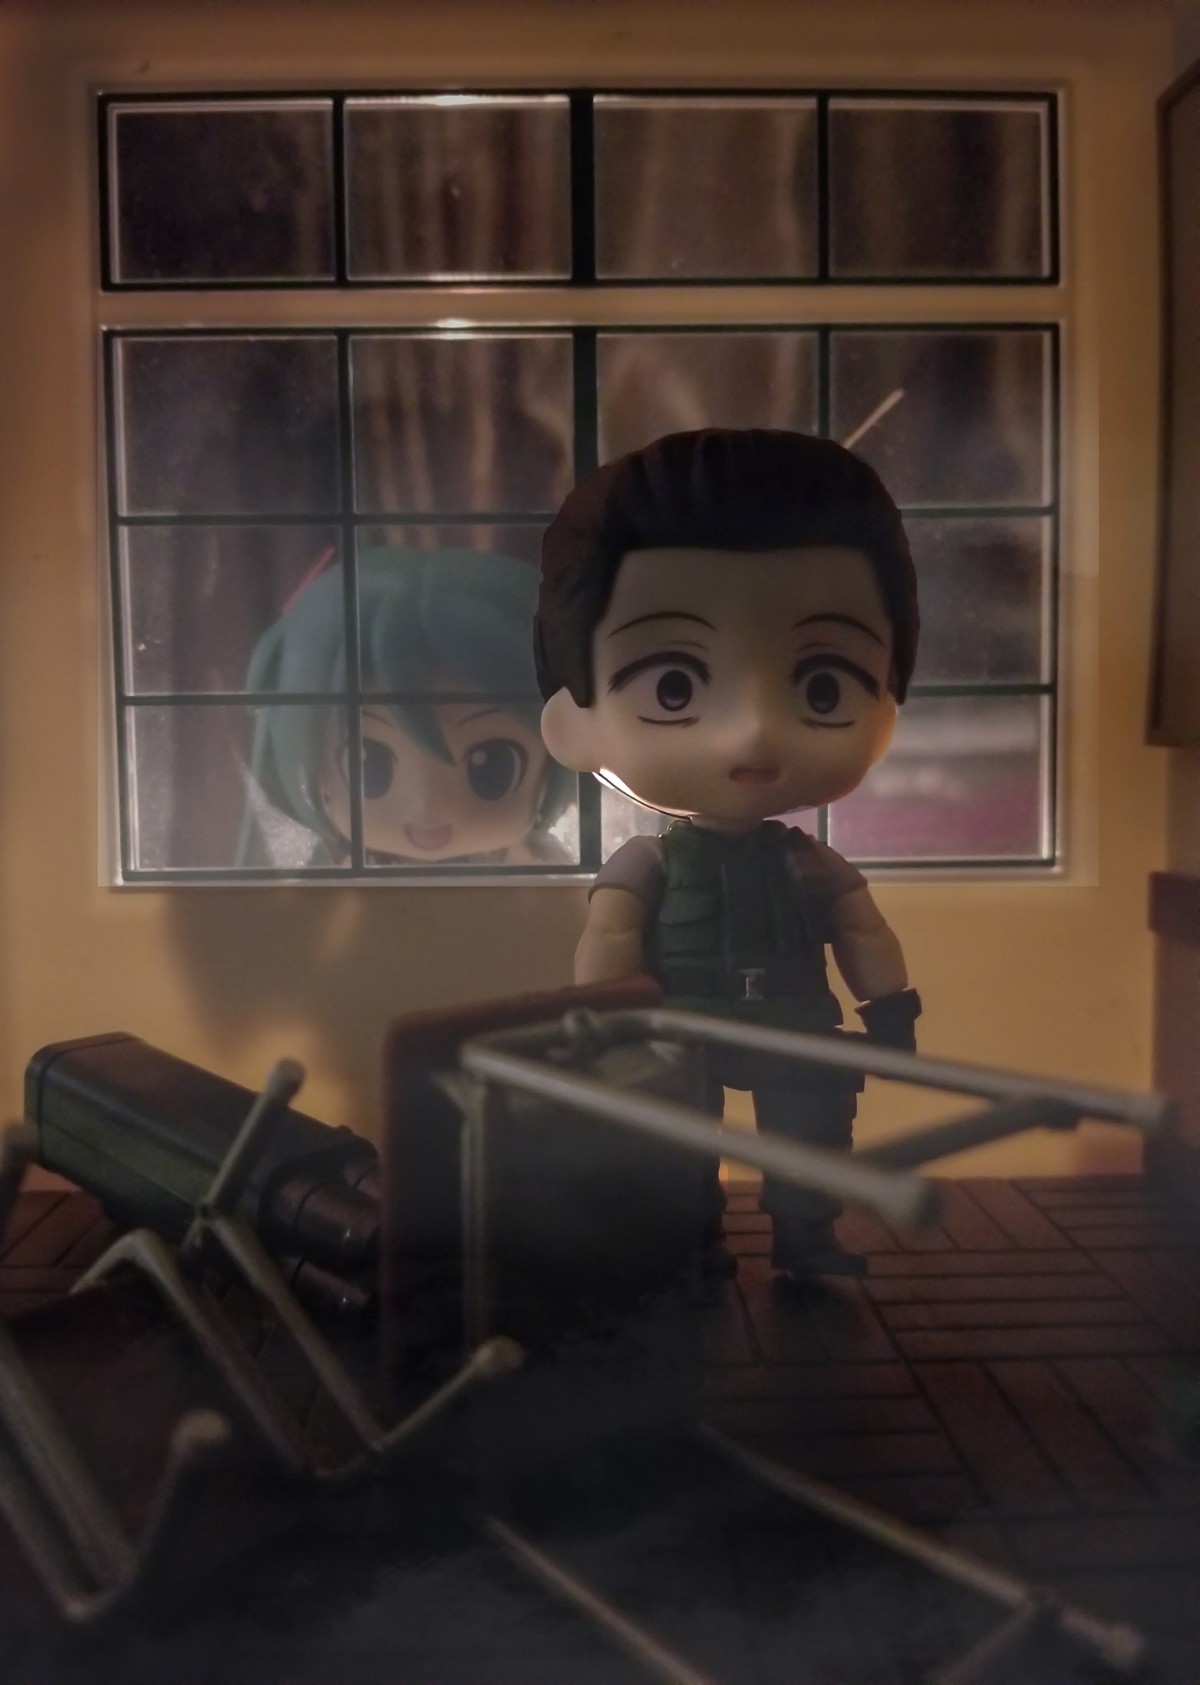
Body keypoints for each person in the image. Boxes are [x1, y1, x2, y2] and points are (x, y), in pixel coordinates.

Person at [534, 428, 921, 1281]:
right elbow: (609, 940)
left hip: (797, 1024)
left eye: (822, 684)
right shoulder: (647, 865)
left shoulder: (809, 865)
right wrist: (606, 1023)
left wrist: (891, 1010)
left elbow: (862, 929)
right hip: (681, 1025)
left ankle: (807, 1236)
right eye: (674, 684)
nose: (751, 732)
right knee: (674, 1141)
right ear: (572, 721)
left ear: (886, 708)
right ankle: (690, 1240)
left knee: (811, 1132)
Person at [241, 545, 574, 867]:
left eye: (491, 768)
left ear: (550, 762)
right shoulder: (348, 881)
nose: (429, 808)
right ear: (320, 768)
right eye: (369, 764)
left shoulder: (537, 872)